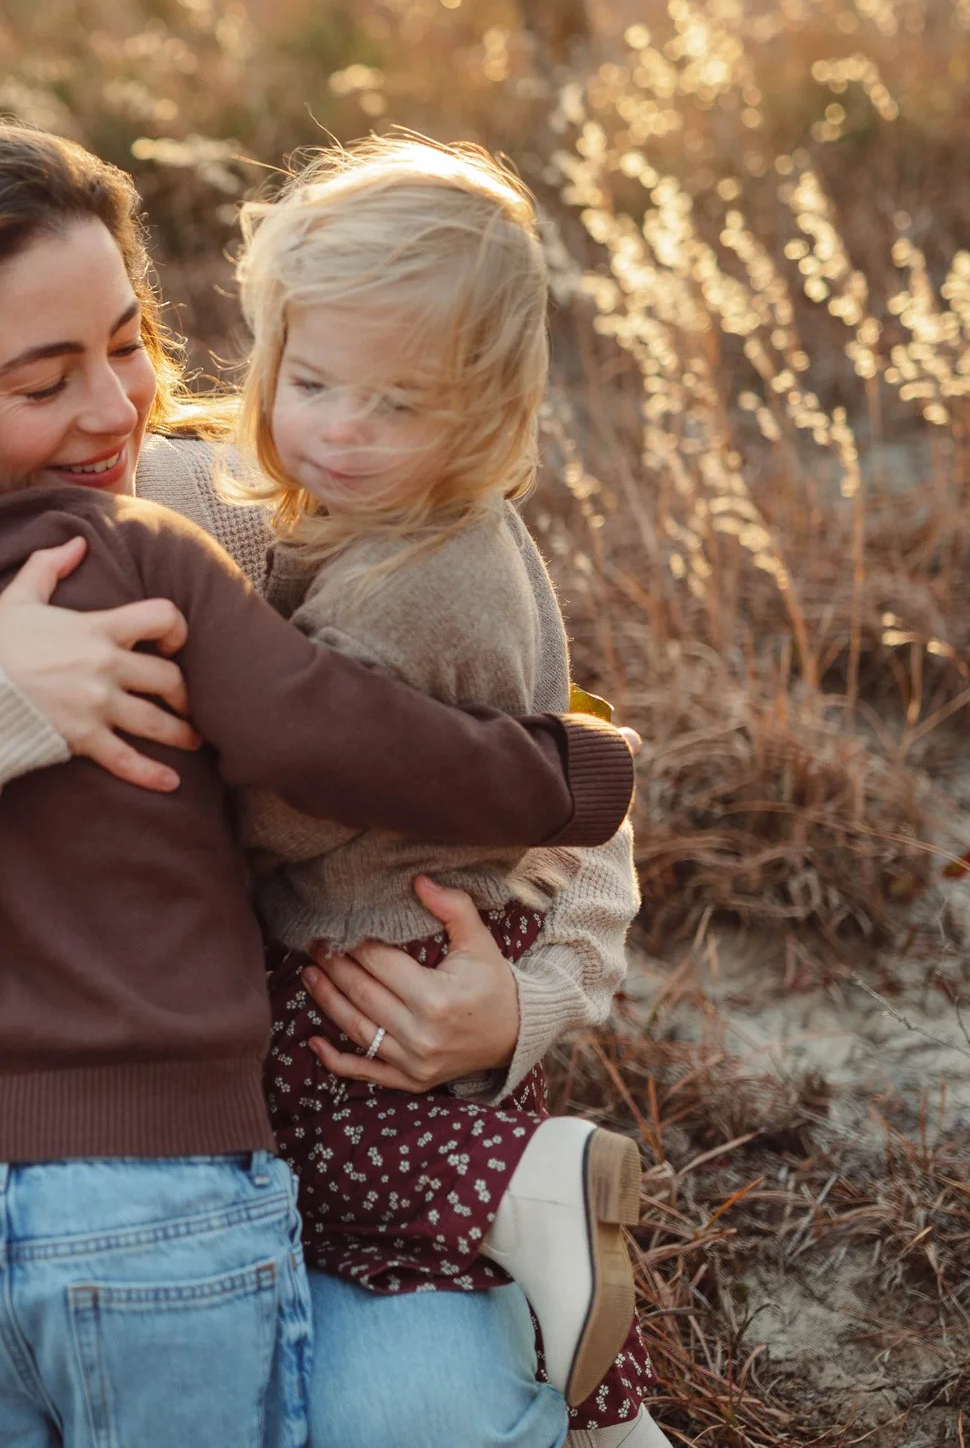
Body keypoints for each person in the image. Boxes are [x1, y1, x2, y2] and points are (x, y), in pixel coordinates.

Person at [0, 121, 657, 1448]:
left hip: (334, 1162)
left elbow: (527, 759)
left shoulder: (238, 502)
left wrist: (521, 1005)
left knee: (421, 1416)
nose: (115, 410)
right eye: (43, 380)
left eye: (127, 343)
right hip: (37, 1226)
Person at [229, 133, 657, 1439]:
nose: (342, 427)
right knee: (398, 1199)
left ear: (487, 411)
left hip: (385, 941)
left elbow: (303, 789)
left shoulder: (416, 580)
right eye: (311, 382)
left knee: (331, 1148)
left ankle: (526, 1193)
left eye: (400, 405)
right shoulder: (391, 520)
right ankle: (609, 1405)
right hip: (417, 932)